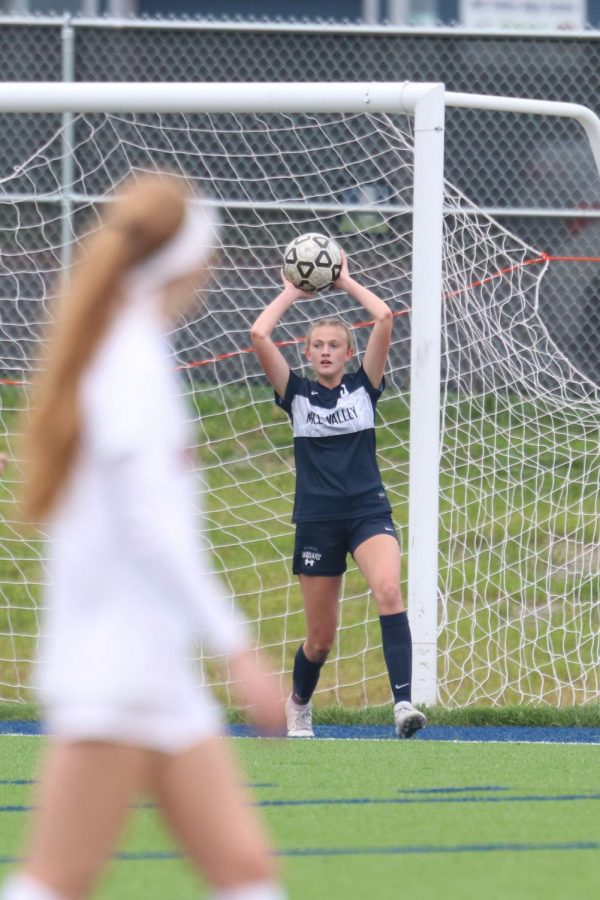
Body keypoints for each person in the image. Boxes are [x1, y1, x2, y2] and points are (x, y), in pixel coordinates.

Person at [1, 175, 286, 900]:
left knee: (245, 870)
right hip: (119, 670)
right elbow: (152, 528)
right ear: (186, 263)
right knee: (56, 881)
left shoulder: (120, 348)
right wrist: (238, 649)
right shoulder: (131, 364)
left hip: (154, 669)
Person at [251, 251, 427, 740]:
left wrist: (344, 280)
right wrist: (294, 288)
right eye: (318, 345)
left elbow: (384, 317)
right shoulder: (297, 394)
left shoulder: (364, 388)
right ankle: (300, 704)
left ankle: (403, 705)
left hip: (368, 512)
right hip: (317, 521)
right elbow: (259, 335)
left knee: (389, 591)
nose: (326, 351)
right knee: (321, 639)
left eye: (334, 345)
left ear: (348, 353)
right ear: (307, 353)